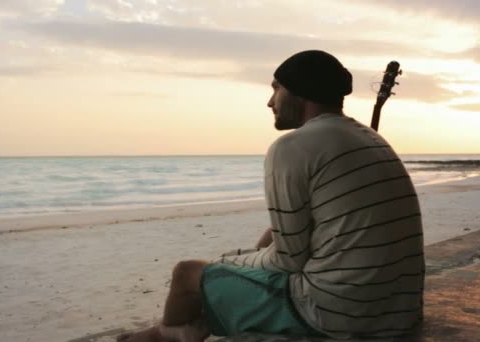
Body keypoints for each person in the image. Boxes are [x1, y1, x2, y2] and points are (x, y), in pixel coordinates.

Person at [117, 50, 425, 341]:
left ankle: (168, 334)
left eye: (276, 89)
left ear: (298, 91)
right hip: (397, 311)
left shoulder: (293, 146)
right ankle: (189, 327)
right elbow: (295, 234)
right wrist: (246, 261)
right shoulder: (367, 137)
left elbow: (287, 261)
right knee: (255, 251)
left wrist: (231, 261)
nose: (269, 101)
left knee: (186, 274)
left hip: (339, 315)